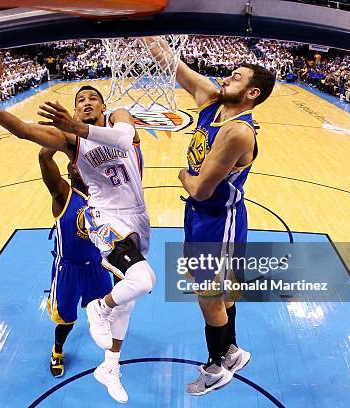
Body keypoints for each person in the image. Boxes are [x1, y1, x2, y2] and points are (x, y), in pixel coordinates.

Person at [0, 81, 155, 404]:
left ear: (103, 107)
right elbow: (21, 130)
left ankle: (110, 367)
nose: (87, 102)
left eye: (93, 98)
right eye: (80, 100)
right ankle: (97, 309)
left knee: (128, 300)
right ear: (73, 111)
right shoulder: (69, 142)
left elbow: (125, 137)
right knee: (142, 281)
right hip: (105, 216)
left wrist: (76, 125)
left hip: (137, 216)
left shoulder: (119, 117)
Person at [148, 37, 275, 395]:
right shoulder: (211, 102)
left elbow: (201, 188)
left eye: (235, 77)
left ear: (251, 93)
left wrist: (182, 176)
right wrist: (140, 32)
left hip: (219, 219)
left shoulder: (237, 131)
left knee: (208, 294)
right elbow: (173, 65)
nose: (225, 79)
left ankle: (216, 367)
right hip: (204, 215)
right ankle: (231, 351)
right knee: (223, 289)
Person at [38, 147, 112, 378]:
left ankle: (110, 350)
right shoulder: (62, 194)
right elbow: (43, 156)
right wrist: (67, 134)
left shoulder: (104, 196)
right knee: (67, 320)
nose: (80, 167)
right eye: (76, 163)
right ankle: (57, 350)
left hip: (97, 266)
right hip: (69, 269)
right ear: (70, 170)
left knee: (108, 309)